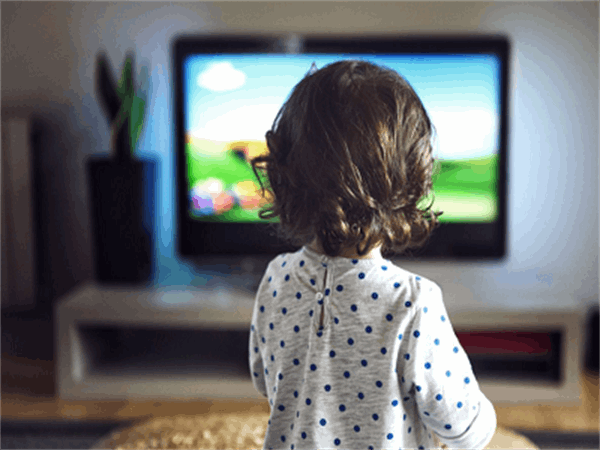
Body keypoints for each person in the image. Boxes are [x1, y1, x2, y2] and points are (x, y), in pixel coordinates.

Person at [248, 59, 496, 450]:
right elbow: (462, 425)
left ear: (284, 169)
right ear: (413, 176)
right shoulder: (412, 302)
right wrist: (485, 422)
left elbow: (264, 379)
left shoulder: (276, 278)